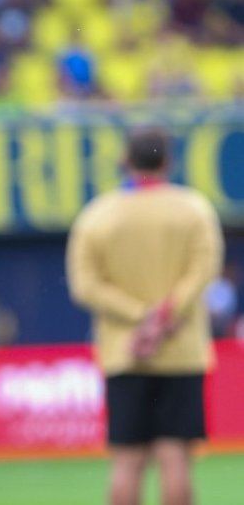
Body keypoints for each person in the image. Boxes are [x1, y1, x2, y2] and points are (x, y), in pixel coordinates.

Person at [67, 127, 223, 505]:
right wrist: (164, 316)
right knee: (176, 459)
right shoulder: (194, 209)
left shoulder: (97, 215)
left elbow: (85, 285)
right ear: (168, 161)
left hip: (126, 352)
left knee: (127, 461)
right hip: (181, 351)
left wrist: (141, 317)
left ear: (126, 160)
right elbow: (204, 269)